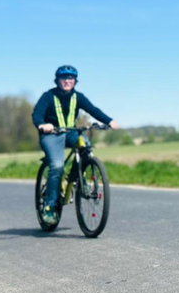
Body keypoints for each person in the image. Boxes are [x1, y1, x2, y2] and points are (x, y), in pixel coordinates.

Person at [32, 65, 120, 225]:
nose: (67, 81)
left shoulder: (78, 97)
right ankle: (50, 208)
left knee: (85, 146)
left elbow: (93, 110)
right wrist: (42, 124)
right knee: (57, 165)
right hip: (51, 135)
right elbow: (37, 113)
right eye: (63, 78)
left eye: (70, 78)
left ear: (75, 81)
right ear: (57, 80)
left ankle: (81, 180)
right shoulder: (48, 96)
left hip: (70, 132)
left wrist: (109, 121)